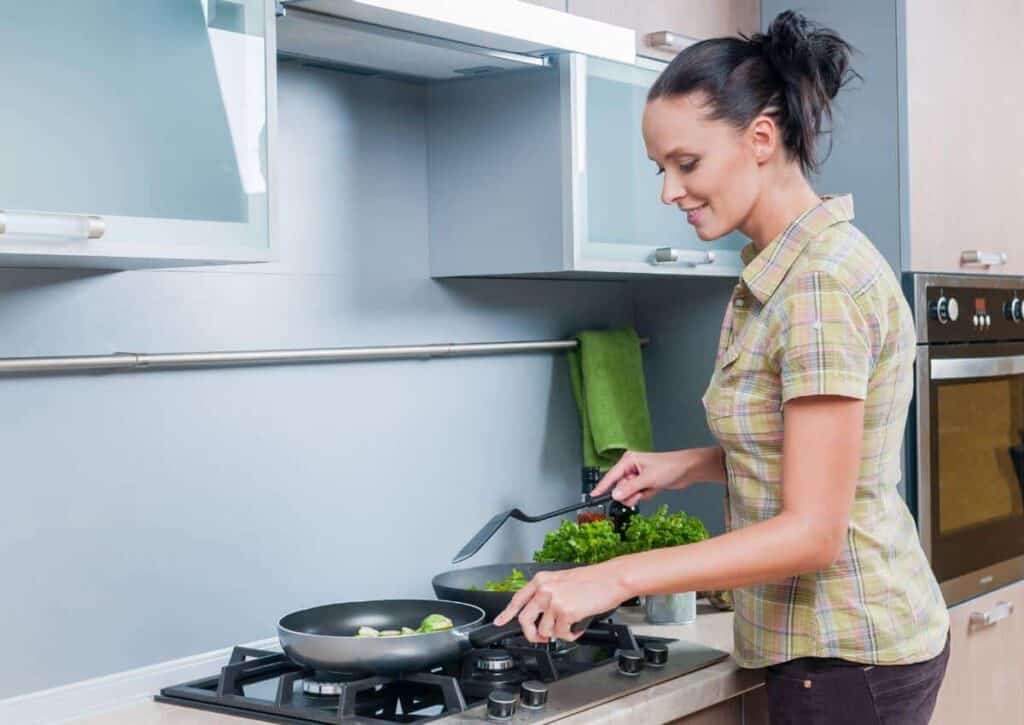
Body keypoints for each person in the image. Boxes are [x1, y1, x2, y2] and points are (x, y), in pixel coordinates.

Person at [495, 10, 950, 724]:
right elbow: (815, 450)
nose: (669, 191)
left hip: (845, 650)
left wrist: (610, 577)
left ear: (761, 138)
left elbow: (814, 531)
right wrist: (688, 465)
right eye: (661, 168)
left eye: (687, 162)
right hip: (841, 648)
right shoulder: (791, 266)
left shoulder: (816, 286)